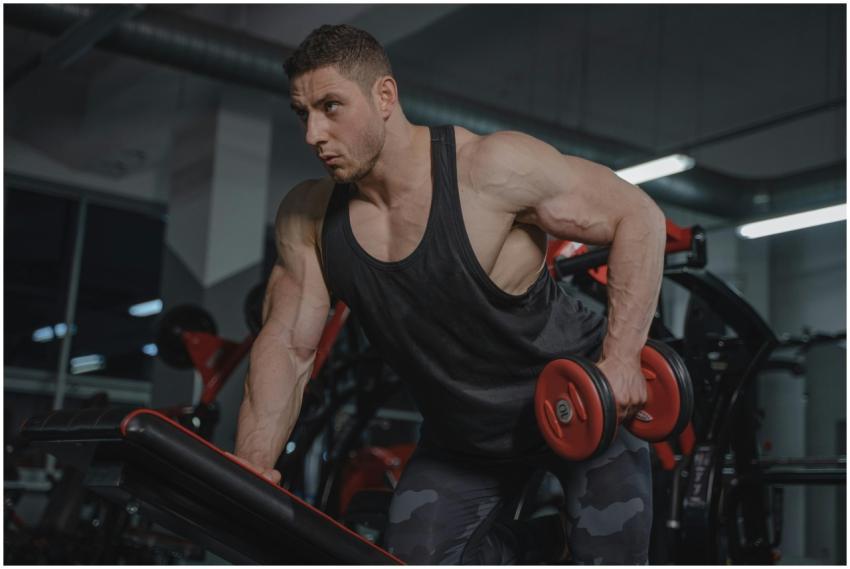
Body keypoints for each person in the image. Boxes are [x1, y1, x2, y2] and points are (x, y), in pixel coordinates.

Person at [234, 24, 666, 564]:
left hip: (582, 409)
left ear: (384, 95)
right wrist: (251, 466)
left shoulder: (487, 170)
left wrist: (623, 358)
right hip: (465, 441)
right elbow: (289, 345)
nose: (313, 134)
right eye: (304, 114)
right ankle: (527, 550)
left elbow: (638, 215)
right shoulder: (312, 217)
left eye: (331, 106)